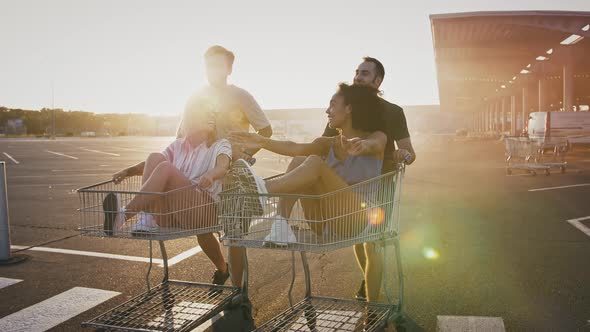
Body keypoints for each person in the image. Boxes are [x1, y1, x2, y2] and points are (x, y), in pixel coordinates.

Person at [113, 45, 273, 289]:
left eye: (219, 65)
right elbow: (177, 140)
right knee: (203, 230)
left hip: (229, 173)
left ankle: (239, 292)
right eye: (209, 65)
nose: (213, 70)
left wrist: (242, 157)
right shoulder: (196, 98)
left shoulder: (241, 96)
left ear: (229, 68)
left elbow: (265, 131)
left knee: (234, 236)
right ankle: (221, 267)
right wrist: (129, 171)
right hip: (197, 177)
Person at [229, 83, 388, 303]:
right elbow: (294, 147)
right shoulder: (327, 143)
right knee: (300, 160)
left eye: (333, 105)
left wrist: (363, 145)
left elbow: (375, 144)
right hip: (324, 221)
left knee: (313, 163)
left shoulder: (377, 136)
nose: (327, 111)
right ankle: (281, 224)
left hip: (358, 219)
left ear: (349, 109)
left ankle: (260, 191)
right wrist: (262, 141)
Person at [106, 101, 232, 287]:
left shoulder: (220, 145)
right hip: (171, 213)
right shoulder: (178, 146)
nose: (210, 117)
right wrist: (127, 171)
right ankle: (147, 218)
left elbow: (223, 166)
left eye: (211, 115)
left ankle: (124, 215)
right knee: (155, 157)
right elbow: (149, 166)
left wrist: (211, 174)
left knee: (165, 168)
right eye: (203, 113)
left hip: (203, 210)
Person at [322, 57, 415, 302]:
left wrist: (402, 155)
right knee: (357, 237)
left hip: (381, 184)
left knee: (372, 242)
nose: (358, 77)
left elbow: (409, 152)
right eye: (356, 72)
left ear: (377, 80)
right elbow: (323, 145)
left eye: (364, 73)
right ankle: (368, 277)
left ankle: (371, 302)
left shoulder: (392, 112)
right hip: (349, 184)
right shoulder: (344, 109)